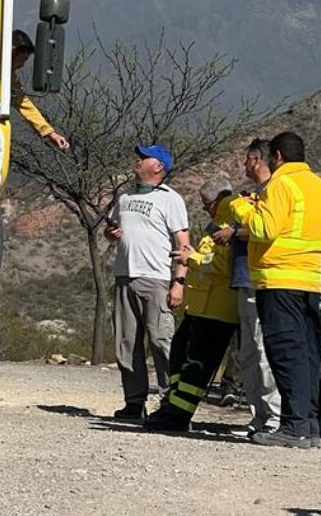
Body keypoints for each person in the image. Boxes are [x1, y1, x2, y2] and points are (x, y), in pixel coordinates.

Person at [229, 132, 321, 448]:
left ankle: (294, 427)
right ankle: (308, 425)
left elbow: (264, 228)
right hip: (309, 280)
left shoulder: (280, 185)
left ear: (276, 157)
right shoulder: (319, 187)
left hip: (279, 280)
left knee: (285, 354)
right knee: (306, 354)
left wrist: (241, 209)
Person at [144, 178, 241, 432]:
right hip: (199, 307)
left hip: (218, 309)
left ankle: (178, 417)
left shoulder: (231, 227)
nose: (206, 209)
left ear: (219, 200)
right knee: (178, 355)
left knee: (197, 368)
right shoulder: (216, 224)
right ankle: (171, 408)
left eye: (207, 204)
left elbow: (222, 266)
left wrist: (192, 258)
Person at [107, 144, 189, 420]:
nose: (137, 160)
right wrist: (111, 233)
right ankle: (134, 401)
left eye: (143, 157)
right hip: (124, 275)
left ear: (158, 167)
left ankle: (170, 403)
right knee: (126, 342)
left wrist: (179, 282)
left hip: (155, 278)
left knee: (161, 341)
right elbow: (115, 231)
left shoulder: (170, 199)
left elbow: (182, 243)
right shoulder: (125, 196)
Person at [212, 138, 282, 437]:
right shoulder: (256, 194)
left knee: (263, 349)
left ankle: (275, 418)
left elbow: (267, 230)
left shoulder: (274, 193)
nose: (244, 166)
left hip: (262, 279)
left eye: (247, 160)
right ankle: (258, 417)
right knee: (250, 352)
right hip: (245, 278)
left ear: (257, 160)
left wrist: (233, 230)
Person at [11, 29, 69, 151]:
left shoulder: (10, 79)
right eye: (21, 60)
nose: (21, 65)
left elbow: (23, 104)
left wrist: (50, 133)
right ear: (11, 52)